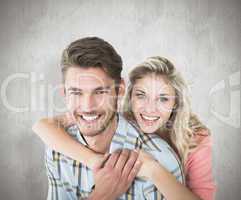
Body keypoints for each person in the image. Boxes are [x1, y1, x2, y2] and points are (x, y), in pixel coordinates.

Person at [33, 37, 184, 200]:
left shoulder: (159, 161)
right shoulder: (58, 151)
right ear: (64, 94)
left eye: (100, 92)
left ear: (120, 91)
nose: (87, 106)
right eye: (76, 92)